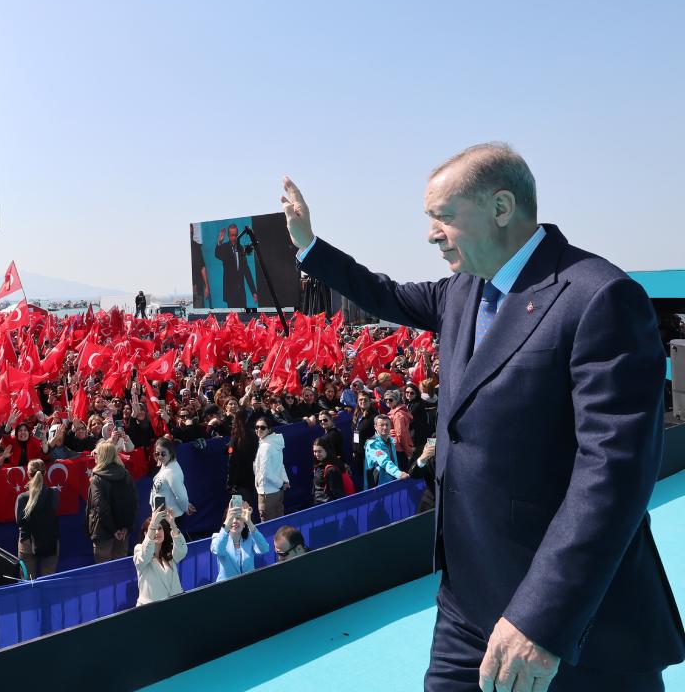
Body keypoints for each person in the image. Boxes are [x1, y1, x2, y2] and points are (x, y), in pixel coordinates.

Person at [282, 144, 685, 690]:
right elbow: (382, 293)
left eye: (443, 216)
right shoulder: (462, 291)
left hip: (572, 625)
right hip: (466, 608)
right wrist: (309, 246)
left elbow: (612, 475)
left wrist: (541, 619)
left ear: (501, 207)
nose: (431, 233)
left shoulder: (599, 297)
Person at [87, 440, 138, 563]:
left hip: (104, 532)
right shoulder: (125, 474)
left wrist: (114, 530)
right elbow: (133, 502)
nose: (94, 456)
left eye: (96, 453)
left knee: (104, 572)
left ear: (102, 456)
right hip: (123, 533)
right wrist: (125, 528)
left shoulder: (96, 479)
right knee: (119, 569)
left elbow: (101, 508)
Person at [14, 459, 59, 579]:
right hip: (49, 540)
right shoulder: (54, 493)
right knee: (48, 581)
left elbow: (19, 521)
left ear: (28, 474)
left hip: (27, 543)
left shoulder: (22, 498)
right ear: (44, 473)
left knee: (28, 583)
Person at [132, 508, 187, 606]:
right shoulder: (139, 549)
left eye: (160, 528)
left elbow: (183, 550)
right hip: (151, 611)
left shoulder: (169, 551)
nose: (157, 532)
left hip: (177, 607)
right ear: (145, 534)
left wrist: (172, 524)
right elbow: (146, 554)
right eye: (153, 529)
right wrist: (152, 523)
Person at [211, 501, 268, 581]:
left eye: (238, 518)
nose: (234, 521)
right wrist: (227, 521)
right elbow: (219, 550)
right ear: (226, 521)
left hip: (249, 585)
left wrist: (249, 522)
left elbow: (264, 549)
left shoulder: (250, 538)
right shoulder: (216, 537)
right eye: (231, 518)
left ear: (244, 523)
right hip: (226, 588)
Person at [252, 416, 289, 522]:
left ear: (269, 429)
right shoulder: (273, 443)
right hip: (277, 492)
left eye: (262, 427)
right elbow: (280, 465)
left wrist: (281, 484)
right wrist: (284, 481)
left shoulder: (265, 447)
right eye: (257, 427)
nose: (259, 429)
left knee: (268, 527)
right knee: (279, 524)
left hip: (267, 494)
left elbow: (265, 473)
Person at [149, 438, 194, 524]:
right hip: (163, 516)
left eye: (163, 454)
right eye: (157, 454)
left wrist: (185, 507)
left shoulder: (171, 471)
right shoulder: (165, 465)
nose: (160, 456)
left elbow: (182, 497)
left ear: (170, 452)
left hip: (171, 518)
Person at [213, 223, 258, 308]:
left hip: (241, 292)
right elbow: (217, 254)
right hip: (230, 292)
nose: (233, 238)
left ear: (238, 235)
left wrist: (253, 292)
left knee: (244, 316)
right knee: (233, 317)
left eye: (235, 235)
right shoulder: (224, 247)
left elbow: (247, 272)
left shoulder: (241, 249)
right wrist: (219, 242)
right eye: (231, 235)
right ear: (228, 236)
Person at [226, 410, 259, 515]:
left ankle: (248, 530)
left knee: (239, 513)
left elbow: (232, 461)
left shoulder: (237, 438)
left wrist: (230, 484)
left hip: (239, 484)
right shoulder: (254, 435)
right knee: (248, 511)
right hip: (252, 480)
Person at [363, 415, 408, 489]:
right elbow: (384, 461)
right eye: (381, 425)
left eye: (387, 425)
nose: (385, 427)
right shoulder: (372, 444)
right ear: (375, 427)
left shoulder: (391, 441)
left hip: (392, 482)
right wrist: (398, 473)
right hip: (377, 486)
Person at [310, 437, 347, 504]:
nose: (317, 454)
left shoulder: (331, 470)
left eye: (319, 451)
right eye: (315, 451)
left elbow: (337, 494)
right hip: (319, 506)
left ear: (326, 450)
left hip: (328, 508)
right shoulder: (318, 466)